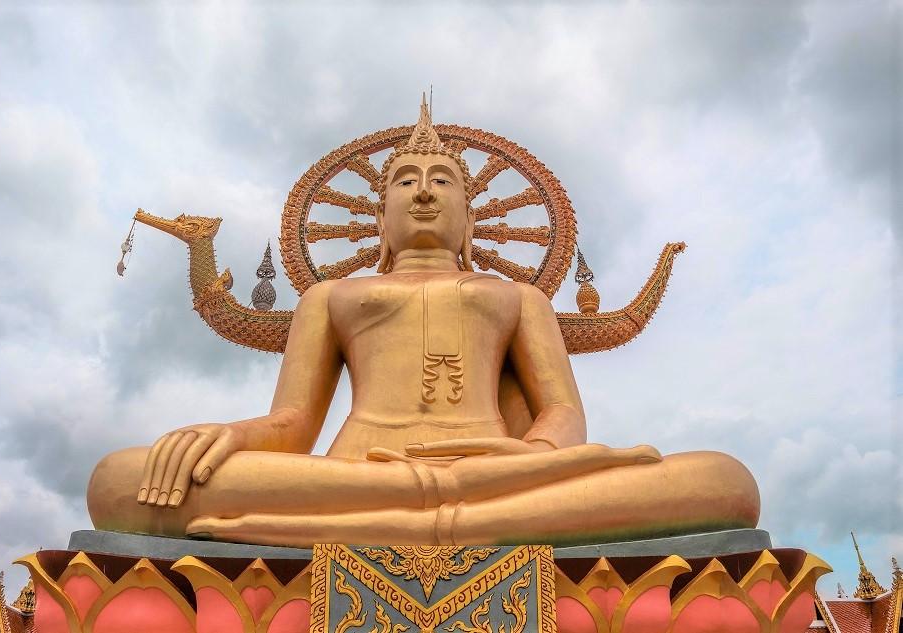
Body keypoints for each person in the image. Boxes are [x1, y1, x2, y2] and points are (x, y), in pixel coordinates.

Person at [87, 101, 759, 546]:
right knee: (120, 480)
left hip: (503, 473)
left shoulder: (517, 296)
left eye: (444, 180)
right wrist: (226, 436)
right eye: (405, 181)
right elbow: (292, 428)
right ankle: (465, 519)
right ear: (379, 218)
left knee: (724, 482)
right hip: (357, 475)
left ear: (471, 214)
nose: (425, 189)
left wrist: (535, 456)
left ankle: (428, 515)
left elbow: (562, 413)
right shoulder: (334, 297)